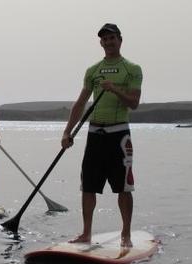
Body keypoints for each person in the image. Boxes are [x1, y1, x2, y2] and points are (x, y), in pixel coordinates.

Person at [61, 23, 142, 247]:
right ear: (101, 43)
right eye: (105, 39)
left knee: (123, 188)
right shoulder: (93, 70)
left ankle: (126, 235)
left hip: (119, 135)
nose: (108, 42)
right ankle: (86, 233)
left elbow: (134, 103)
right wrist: (67, 131)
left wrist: (114, 89)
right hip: (95, 134)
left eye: (112, 38)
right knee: (88, 186)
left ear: (120, 40)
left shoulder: (132, 69)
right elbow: (79, 104)